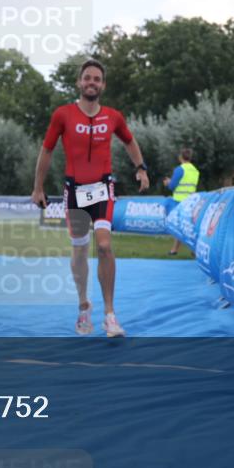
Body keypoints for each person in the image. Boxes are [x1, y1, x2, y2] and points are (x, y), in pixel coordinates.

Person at [31, 58, 149, 338]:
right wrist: (38, 187)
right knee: (80, 250)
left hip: (103, 188)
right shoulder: (63, 114)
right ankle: (84, 305)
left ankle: (110, 315)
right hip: (74, 192)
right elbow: (46, 151)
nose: (92, 82)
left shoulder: (113, 116)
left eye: (97, 78)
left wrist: (141, 168)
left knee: (105, 246)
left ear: (103, 85)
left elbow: (130, 141)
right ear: (79, 82)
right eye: (87, 78)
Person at [165, 147, 200, 256]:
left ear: (181, 157)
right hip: (192, 202)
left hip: (179, 201)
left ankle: (175, 250)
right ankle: (191, 249)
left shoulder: (180, 169)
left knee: (178, 226)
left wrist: (168, 183)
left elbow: (172, 186)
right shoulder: (195, 171)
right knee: (189, 226)